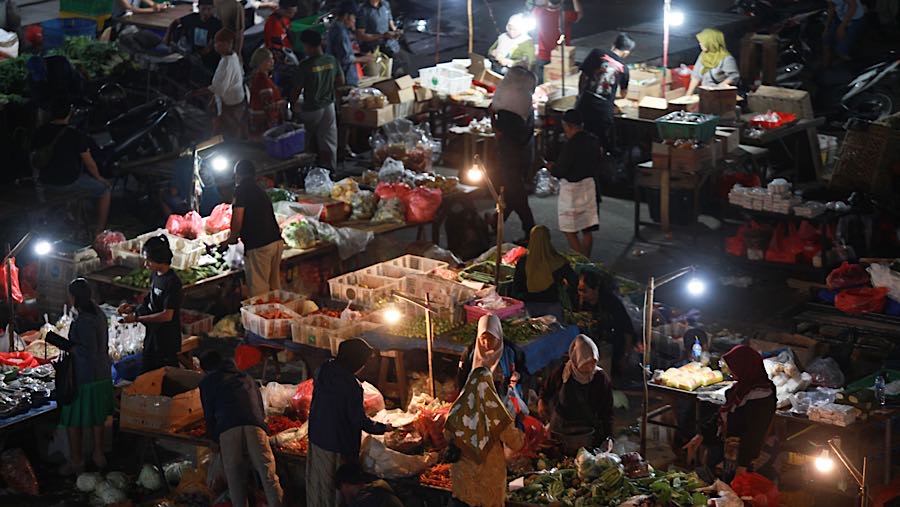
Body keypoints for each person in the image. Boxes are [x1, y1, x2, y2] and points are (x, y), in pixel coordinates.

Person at [307, 338, 393, 507]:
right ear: (356, 361)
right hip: (337, 444)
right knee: (333, 491)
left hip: (316, 437)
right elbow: (358, 420)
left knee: (318, 484)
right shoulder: (352, 386)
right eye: (363, 361)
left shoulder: (324, 369)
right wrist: (384, 428)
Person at [199, 351, 284, 507]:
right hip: (255, 425)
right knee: (268, 476)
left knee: (235, 478)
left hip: (228, 428)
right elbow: (259, 407)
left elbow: (209, 414)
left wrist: (213, 439)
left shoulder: (208, 381)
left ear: (206, 370)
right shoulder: (246, 377)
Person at [682, 345, 776, 481]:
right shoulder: (740, 388)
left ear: (745, 367)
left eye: (733, 367)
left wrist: (743, 465)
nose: (731, 372)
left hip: (748, 454)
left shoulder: (762, 396)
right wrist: (700, 435)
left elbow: (755, 434)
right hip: (730, 449)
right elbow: (722, 414)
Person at [445, 366, 525, 507]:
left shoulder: (457, 409)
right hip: (489, 481)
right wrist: (520, 427)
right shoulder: (496, 412)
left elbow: (447, 435)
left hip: (463, 480)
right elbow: (516, 443)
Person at [32, 99, 111, 234]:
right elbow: (90, 163)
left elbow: (34, 158)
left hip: (46, 182)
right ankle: (100, 230)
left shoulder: (39, 132)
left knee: (80, 183)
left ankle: (75, 221)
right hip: (68, 183)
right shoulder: (75, 135)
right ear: (69, 114)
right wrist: (100, 178)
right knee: (105, 189)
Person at [59, 279, 113, 475]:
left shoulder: (83, 321)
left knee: (73, 419)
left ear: (74, 298)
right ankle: (99, 456)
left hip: (85, 377)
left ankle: (76, 461)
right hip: (103, 374)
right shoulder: (98, 313)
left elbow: (86, 351)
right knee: (97, 416)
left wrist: (68, 346)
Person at [117, 236, 183, 371]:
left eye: (149, 260)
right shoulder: (155, 275)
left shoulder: (172, 282)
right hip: (153, 336)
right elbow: (151, 303)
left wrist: (137, 318)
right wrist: (132, 308)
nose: (146, 264)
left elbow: (167, 315)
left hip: (166, 340)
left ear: (160, 259)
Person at [490, 65, 537, 242]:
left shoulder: (508, 108)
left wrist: (492, 117)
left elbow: (500, 132)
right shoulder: (525, 102)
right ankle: (496, 222)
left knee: (517, 194)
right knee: (511, 192)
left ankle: (531, 231)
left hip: (511, 156)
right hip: (526, 153)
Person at [540, 334, 613, 446]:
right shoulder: (562, 373)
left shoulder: (601, 379)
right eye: (585, 363)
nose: (590, 368)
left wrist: (608, 436)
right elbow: (546, 390)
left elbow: (607, 411)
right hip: (561, 428)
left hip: (587, 431)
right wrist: (542, 402)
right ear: (576, 360)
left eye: (593, 362)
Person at [227, 160, 283, 296]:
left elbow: (238, 217)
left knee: (259, 292)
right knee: (275, 287)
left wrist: (232, 239)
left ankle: (264, 316)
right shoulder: (259, 189)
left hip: (259, 247)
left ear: (238, 175)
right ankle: (279, 315)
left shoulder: (241, 190)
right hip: (276, 242)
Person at [549, 109, 599, 257]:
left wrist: (552, 168)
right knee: (587, 228)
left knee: (569, 229)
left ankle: (582, 263)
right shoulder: (593, 140)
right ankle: (587, 261)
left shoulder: (571, 146)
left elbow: (561, 170)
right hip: (590, 188)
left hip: (573, 191)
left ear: (568, 126)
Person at [456, 314, 528, 417]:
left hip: (503, 401)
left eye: (491, 338)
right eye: (483, 338)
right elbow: (461, 378)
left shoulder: (511, 352)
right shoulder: (470, 353)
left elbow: (524, 372)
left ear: (498, 335)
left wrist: (517, 376)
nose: (486, 343)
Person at [295, 29, 344, 169]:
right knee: (328, 141)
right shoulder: (331, 60)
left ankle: (305, 172)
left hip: (312, 108)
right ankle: (330, 171)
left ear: (308, 46)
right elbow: (341, 81)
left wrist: (293, 105)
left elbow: (296, 89)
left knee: (306, 142)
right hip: (329, 106)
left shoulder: (305, 65)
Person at [576, 33, 633, 150]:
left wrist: (580, 95)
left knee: (580, 140)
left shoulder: (596, 53)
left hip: (585, 103)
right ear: (626, 52)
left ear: (613, 45)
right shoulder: (624, 68)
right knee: (602, 143)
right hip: (603, 110)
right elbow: (623, 94)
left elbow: (583, 76)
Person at [576, 270, 635, 378]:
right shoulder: (582, 303)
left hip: (614, 352)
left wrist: (625, 357)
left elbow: (628, 331)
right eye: (579, 290)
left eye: (584, 291)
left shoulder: (612, 304)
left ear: (596, 289)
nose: (581, 294)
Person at [513, 225, 578, 320]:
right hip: (553, 307)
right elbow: (574, 281)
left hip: (528, 308)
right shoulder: (558, 261)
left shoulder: (523, 262)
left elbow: (516, 288)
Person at [164, 0, 222, 80]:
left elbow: (212, 44)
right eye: (203, 9)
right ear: (198, 8)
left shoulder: (216, 24)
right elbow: (175, 22)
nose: (206, 12)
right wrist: (167, 38)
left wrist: (199, 54)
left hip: (208, 58)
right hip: (191, 52)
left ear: (213, 9)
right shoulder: (192, 18)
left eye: (209, 9)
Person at [209, 28, 246, 140]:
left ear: (227, 44)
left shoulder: (228, 63)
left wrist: (202, 92)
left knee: (229, 131)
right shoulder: (231, 58)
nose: (215, 46)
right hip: (233, 101)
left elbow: (220, 88)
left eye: (218, 43)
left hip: (231, 104)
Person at [532, 0, 582, 83]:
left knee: (541, 85)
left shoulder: (538, 12)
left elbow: (543, 5)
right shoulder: (565, 15)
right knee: (559, 85)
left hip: (543, 55)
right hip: (561, 56)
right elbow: (579, 14)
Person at [355, 0, 408, 76]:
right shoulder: (363, 10)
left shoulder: (385, 4)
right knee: (380, 75)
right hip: (372, 49)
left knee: (400, 65)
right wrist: (382, 36)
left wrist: (396, 32)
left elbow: (390, 22)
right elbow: (361, 35)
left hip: (388, 45)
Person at [685, 29, 740, 95]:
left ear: (711, 42)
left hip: (720, 96)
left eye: (703, 41)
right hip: (705, 94)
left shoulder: (726, 59)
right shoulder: (703, 56)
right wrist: (688, 95)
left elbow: (734, 76)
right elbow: (696, 77)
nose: (700, 44)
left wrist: (720, 86)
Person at [248, 48, 286, 137]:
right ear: (262, 62)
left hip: (258, 120)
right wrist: (282, 103)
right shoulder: (263, 80)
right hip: (264, 122)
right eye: (269, 60)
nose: (272, 61)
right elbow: (268, 105)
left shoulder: (257, 76)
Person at [335, 463, 403, 507]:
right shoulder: (378, 486)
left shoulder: (365, 500)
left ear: (345, 485)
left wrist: (348, 500)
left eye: (341, 489)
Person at [327, 1, 361, 87]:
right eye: (353, 17)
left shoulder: (338, 28)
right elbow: (345, 59)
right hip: (345, 77)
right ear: (346, 16)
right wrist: (365, 59)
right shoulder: (340, 31)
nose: (354, 21)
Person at [824, 0, 865, 66]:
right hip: (840, 17)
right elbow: (831, 7)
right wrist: (827, 26)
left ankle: (851, 65)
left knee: (841, 50)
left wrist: (842, 27)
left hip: (855, 18)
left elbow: (853, 6)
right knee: (827, 40)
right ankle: (826, 64)